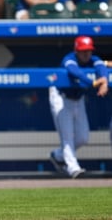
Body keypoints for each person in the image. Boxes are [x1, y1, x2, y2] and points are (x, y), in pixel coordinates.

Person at [49, 36, 108, 179]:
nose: (86, 54)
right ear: (77, 50)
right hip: (60, 97)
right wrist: (93, 82)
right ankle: (73, 168)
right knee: (67, 136)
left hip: (78, 99)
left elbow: (101, 67)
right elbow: (74, 72)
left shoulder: (93, 59)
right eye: (83, 51)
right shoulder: (69, 59)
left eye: (88, 50)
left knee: (83, 138)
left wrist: (104, 81)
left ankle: (57, 155)